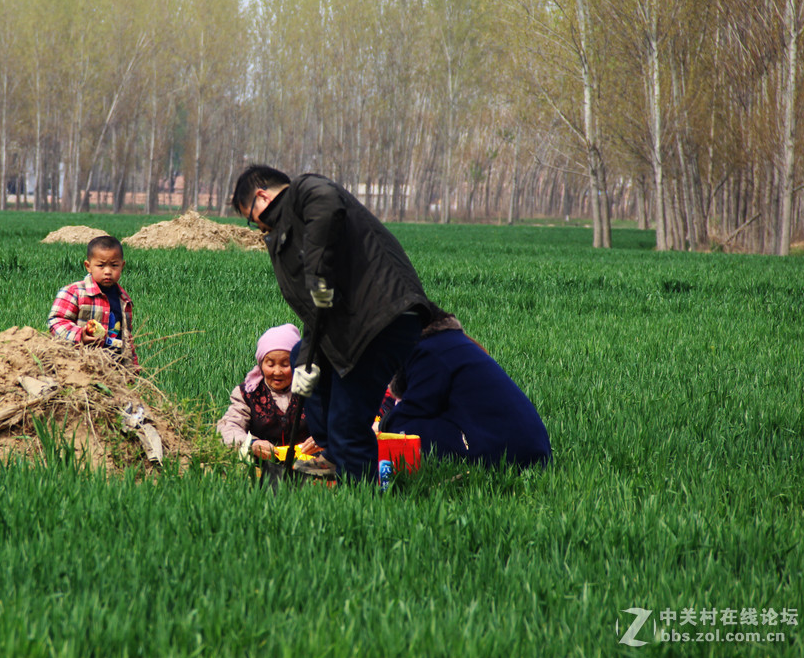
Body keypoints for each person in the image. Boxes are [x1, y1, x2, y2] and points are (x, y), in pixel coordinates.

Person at [232, 164, 451, 483]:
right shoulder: (285, 239)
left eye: (251, 216)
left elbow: (327, 204)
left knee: (347, 428)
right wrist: (307, 364)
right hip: (351, 329)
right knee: (302, 362)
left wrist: (318, 274)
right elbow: (315, 314)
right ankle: (333, 455)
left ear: (262, 196)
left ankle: (365, 506)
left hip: (381, 318)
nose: (257, 226)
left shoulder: (305, 191)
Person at [378, 323, 552, 468]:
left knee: (406, 432)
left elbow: (409, 414)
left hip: (508, 456)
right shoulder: (452, 345)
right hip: (533, 450)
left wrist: (380, 427)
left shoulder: (428, 354)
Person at [215, 323, 317, 462]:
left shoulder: (311, 390)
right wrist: (252, 444)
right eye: (270, 364)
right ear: (261, 364)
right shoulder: (248, 394)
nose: (277, 371)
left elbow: (336, 422)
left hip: (308, 463)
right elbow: (228, 428)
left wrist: (321, 438)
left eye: (285, 364)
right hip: (260, 463)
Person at [48, 235, 138, 367]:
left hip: (113, 369)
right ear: (88, 266)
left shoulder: (123, 299)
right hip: (79, 365)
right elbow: (56, 322)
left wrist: (132, 367)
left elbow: (126, 337)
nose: (108, 271)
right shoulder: (74, 292)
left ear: (122, 266)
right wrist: (80, 336)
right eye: (101, 266)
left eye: (114, 265)